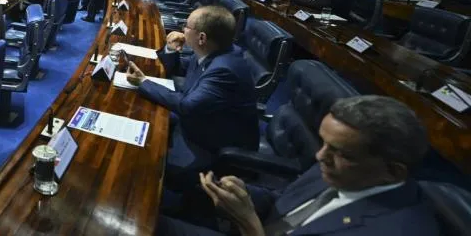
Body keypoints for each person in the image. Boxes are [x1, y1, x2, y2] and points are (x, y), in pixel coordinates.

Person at [158, 95, 437, 236]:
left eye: (340, 152)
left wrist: (248, 223)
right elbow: (290, 200)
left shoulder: (396, 230)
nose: (320, 157)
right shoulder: (342, 170)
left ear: (394, 171)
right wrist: (241, 193)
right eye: (324, 143)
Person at [125, 6, 257, 190]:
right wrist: (171, 50)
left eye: (186, 26)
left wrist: (143, 82)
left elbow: (187, 106)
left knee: (141, 160)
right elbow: (180, 69)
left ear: (202, 37)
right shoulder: (215, 51)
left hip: (211, 142)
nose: (181, 30)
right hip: (200, 121)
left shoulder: (224, 69)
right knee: (138, 114)